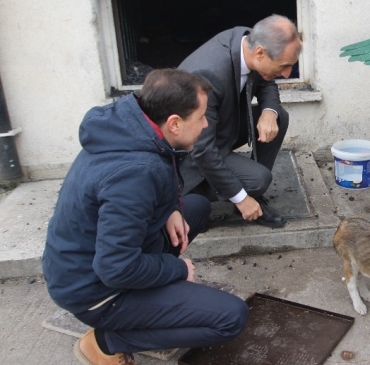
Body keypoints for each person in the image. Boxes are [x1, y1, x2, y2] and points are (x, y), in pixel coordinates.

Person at [42, 69, 249, 365]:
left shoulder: (134, 128)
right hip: (95, 291)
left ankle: (154, 293)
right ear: (175, 123)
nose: (205, 124)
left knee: (196, 207)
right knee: (231, 318)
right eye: (201, 117)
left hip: (87, 261)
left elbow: (165, 170)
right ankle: (106, 342)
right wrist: (176, 270)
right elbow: (116, 267)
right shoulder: (135, 174)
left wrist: (172, 208)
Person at [178, 14, 302, 228]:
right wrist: (241, 199)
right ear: (261, 53)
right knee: (259, 180)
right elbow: (201, 149)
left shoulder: (249, 41)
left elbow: (266, 81)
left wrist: (269, 112)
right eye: (284, 65)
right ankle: (192, 196)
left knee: (279, 116)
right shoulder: (206, 76)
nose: (287, 73)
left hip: (223, 127)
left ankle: (249, 191)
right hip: (193, 153)